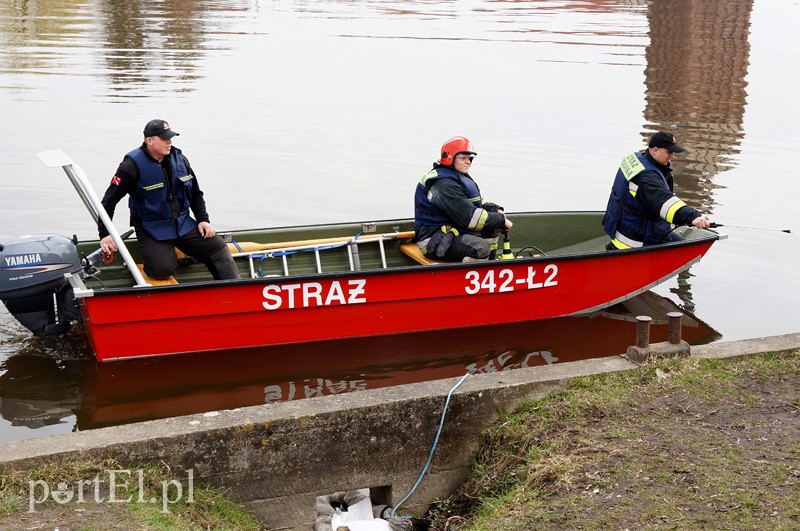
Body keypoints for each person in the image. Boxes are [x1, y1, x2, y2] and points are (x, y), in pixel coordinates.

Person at [98, 119, 240, 280]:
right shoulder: (130, 166)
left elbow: (195, 193)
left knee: (218, 248)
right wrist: (105, 234)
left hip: (183, 224)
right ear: (149, 140)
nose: (170, 142)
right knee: (162, 270)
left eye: (170, 138)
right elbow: (108, 202)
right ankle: (166, 256)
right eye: (164, 139)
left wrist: (203, 219)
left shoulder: (180, 159)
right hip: (152, 227)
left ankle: (231, 289)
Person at [602, 131, 710, 250]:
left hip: (625, 222)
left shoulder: (638, 159)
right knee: (684, 250)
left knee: (682, 246)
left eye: (673, 152)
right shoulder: (646, 178)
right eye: (669, 152)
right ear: (655, 150)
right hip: (634, 238)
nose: (672, 155)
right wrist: (692, 217)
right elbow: (663, 201)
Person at [413, 136, 513, 262]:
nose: (468, 162)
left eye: (470, 158)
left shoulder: (458, 177)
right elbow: (469, 217)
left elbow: (478, 203)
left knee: (492, 229)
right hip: (434, 241)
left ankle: (491, 266)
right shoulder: (444, 185)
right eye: (463, 158)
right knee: (479, 247)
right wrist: (501, 220)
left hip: (453, 231)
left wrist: (496, 210)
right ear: (450, 158)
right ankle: (473, 277)